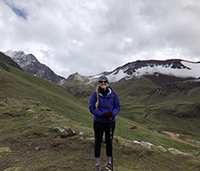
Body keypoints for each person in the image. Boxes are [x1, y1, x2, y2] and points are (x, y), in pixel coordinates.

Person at [89, 76, 120, 171]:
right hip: (98, 122)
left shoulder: (113, 94)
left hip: (110, 122)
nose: (103, 83)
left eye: (105, 81)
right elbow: (91, 108)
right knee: (98, 142)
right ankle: (97, 165)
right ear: (99, 83)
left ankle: (109, 164)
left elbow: (117, 106)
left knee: (109, 142)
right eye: (101, 82)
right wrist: (102, 114)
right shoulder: (95, 95)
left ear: (107, 83)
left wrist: (112, 114)